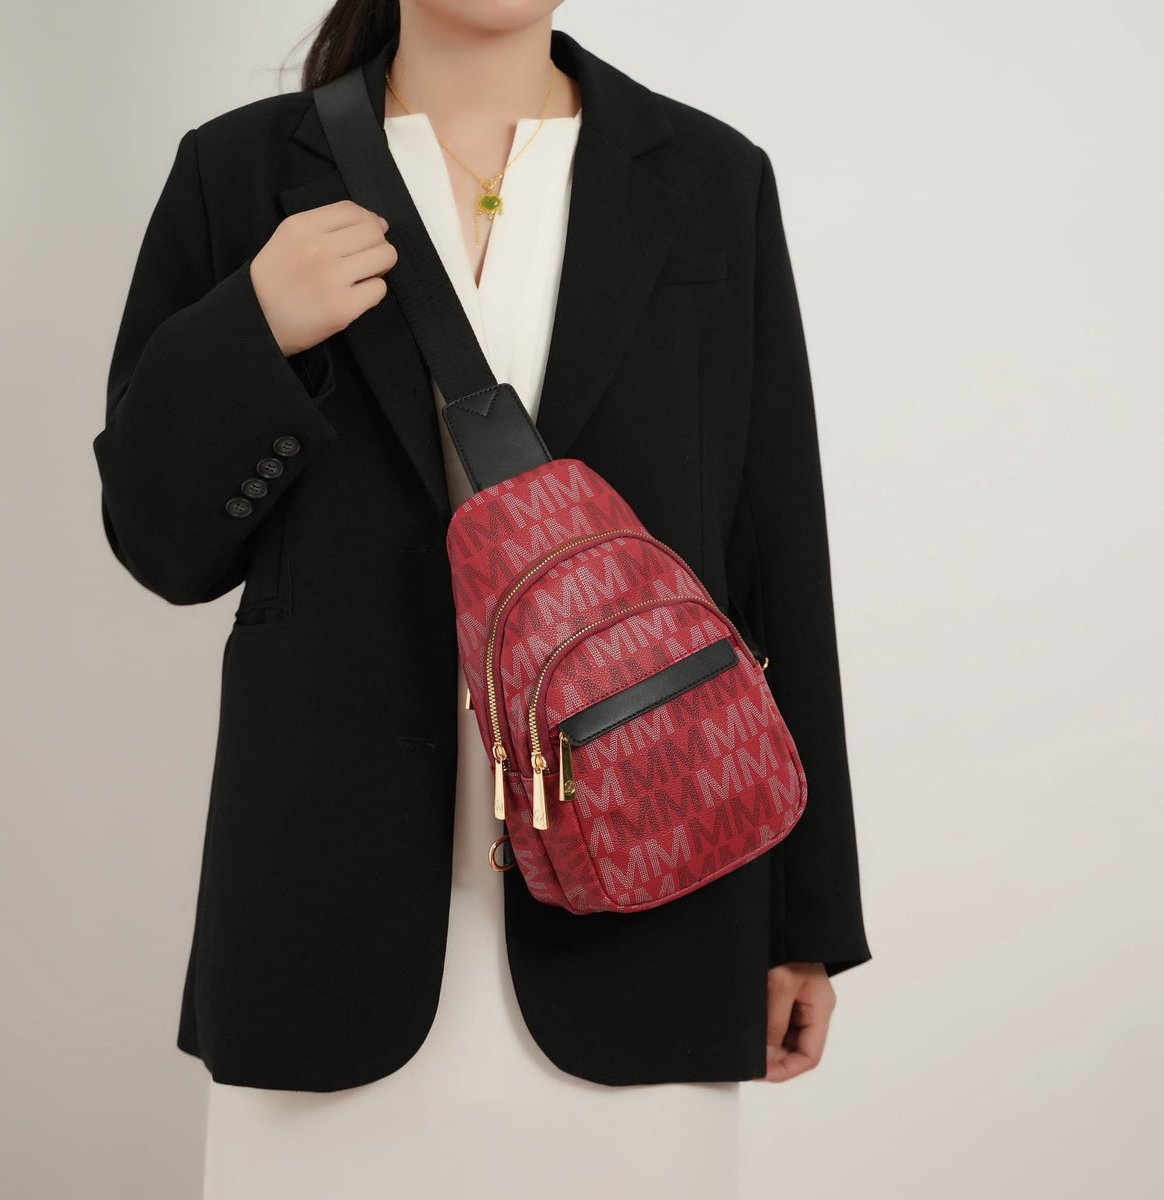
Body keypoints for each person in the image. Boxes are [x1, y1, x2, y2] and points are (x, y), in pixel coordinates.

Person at [93, 1, 872, 1193]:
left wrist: (804, 920)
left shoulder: (711, 178)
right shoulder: (239, 170)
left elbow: (774, 551)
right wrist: (253, 328)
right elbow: (158, 543)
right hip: (324, 920)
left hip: (654, 906)